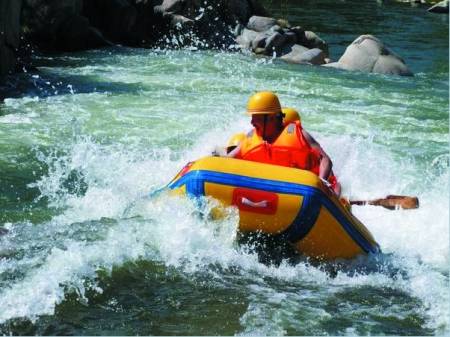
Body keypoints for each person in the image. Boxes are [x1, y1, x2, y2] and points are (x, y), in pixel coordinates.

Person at [227, 91, 341, 195]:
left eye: (256, 118)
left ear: (271, 118)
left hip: (307, 191)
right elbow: (228, 159)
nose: (252, 122)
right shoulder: (251, 138)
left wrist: (321, 183)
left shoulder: (299, 135)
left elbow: (325, 160)